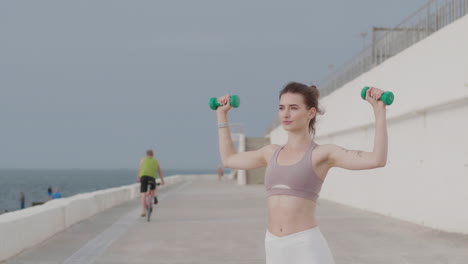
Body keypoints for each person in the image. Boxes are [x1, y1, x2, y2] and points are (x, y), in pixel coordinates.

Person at [215, 82, 388, 264]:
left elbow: (377, 159)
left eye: (293, 108)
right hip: (273, 245)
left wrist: (379, 110)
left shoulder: (322, 154)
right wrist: (221, 114)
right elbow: (229, 159)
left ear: (311, 113)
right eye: (282, 108)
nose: (286, 114)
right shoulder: (271, 152)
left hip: (305, 247)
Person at [137, 149, 165, 217]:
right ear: (153, 155)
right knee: (154, 187)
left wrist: (138, 178)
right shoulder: (156, 161)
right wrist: (162, 180)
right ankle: (155, 196)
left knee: (143, 194)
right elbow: (159, 171)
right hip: (151, 178)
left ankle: (143, 211)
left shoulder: (142, 160)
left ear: (146, 154)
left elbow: (139, 169)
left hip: (143, 177)